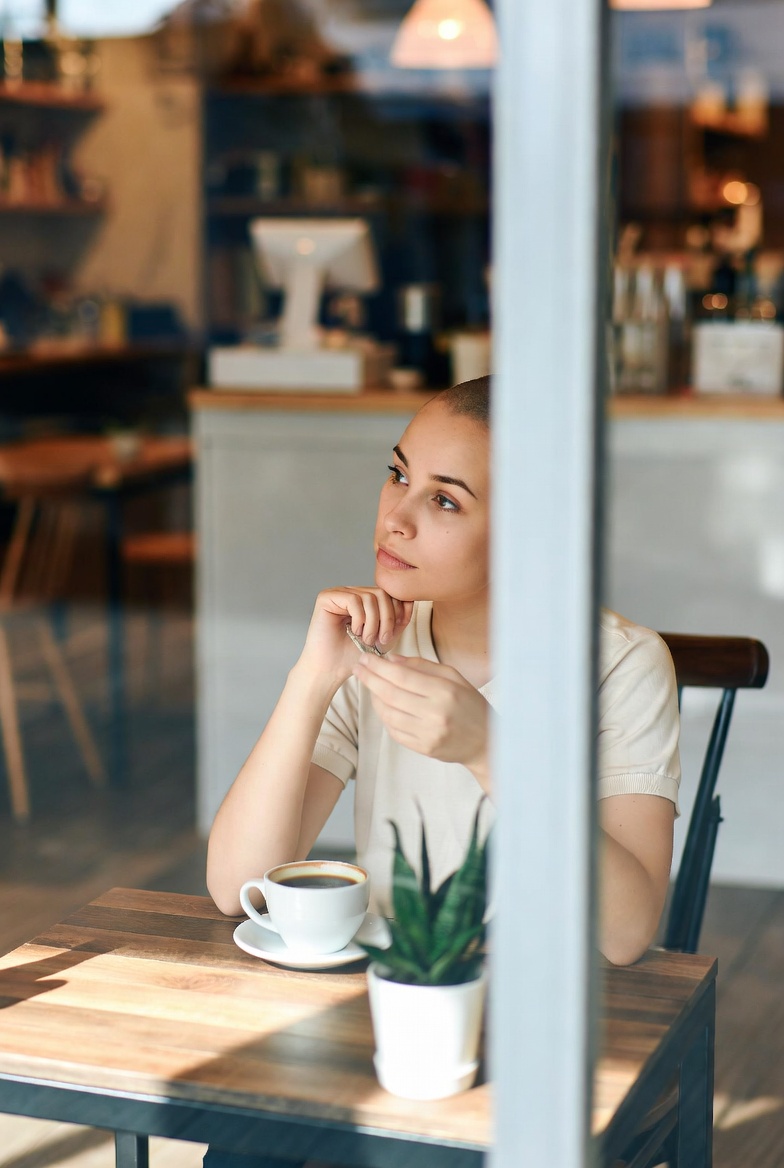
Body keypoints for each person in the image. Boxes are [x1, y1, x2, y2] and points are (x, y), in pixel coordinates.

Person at [207, 374, 680, 970]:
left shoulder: (622, 667)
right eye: (399, 475)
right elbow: (236, 886)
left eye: (444, 500)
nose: (395, 520)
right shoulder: (378, 643)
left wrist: (489, 750)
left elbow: (626, 932)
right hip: (391, 986)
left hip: (547, 1011)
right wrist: (312, 678)